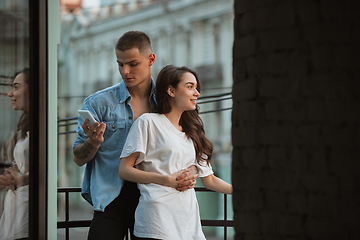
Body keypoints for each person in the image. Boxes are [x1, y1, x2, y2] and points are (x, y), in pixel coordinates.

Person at [72, 31, 197, 240]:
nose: (125, 71)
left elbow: (188, 146)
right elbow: (78, 158)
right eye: (120, 64)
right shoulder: (98, 103)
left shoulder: (168, 101)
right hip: (111, 202)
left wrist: (190, 173)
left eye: (132, 63)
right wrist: (93, 143)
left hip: (156, 202)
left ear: (151, 59)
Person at [119, 65, 233, 240]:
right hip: (156, 221)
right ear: (171, 91)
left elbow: (209, 180)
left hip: (188, 222)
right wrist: (165, 179)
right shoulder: (148, 122)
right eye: (190, 87)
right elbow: (124, 170)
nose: (197, 93)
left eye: (196, 87)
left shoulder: (194, 132)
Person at [0, 68, 30, 240]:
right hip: (15, 208)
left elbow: (45, 171)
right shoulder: (24, 125)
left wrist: (22, 179)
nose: (11, 93)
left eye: (16, 87)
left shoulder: (43, 125)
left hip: (28, 209)